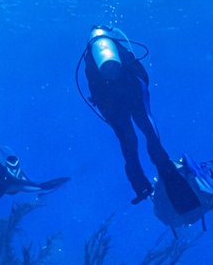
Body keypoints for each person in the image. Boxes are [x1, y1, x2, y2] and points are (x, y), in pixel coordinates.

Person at [79, 26, 201, 214]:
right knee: (149, 132)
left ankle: (140, 184)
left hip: (111, 103)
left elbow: (94, 90)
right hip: (133, 92)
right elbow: (139, 71)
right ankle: (171, 178)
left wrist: (108, 111)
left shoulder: (89, 58)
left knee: (128, 142)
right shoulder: (118, 46)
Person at [151, 153, 213, 231]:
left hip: (188, 192)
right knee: (209, 195)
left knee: (209, 195)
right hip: (188, 192)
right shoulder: (186, 215)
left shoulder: (180, 214)